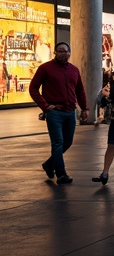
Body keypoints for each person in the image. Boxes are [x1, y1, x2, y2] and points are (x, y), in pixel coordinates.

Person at [29, 41, 89, 184]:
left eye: (66, 51)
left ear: (70, 53)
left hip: (70, 112)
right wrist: (45, 106)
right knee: (57, 143)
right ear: (55, 53)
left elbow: (80, 90)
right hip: (54, 111)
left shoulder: (74, 70)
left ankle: (49, 165)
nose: (64, 53)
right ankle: (61, 174)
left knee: (67, 142)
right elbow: (33, 88)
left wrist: (85, 108)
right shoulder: (45, 68)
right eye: (60, 51)